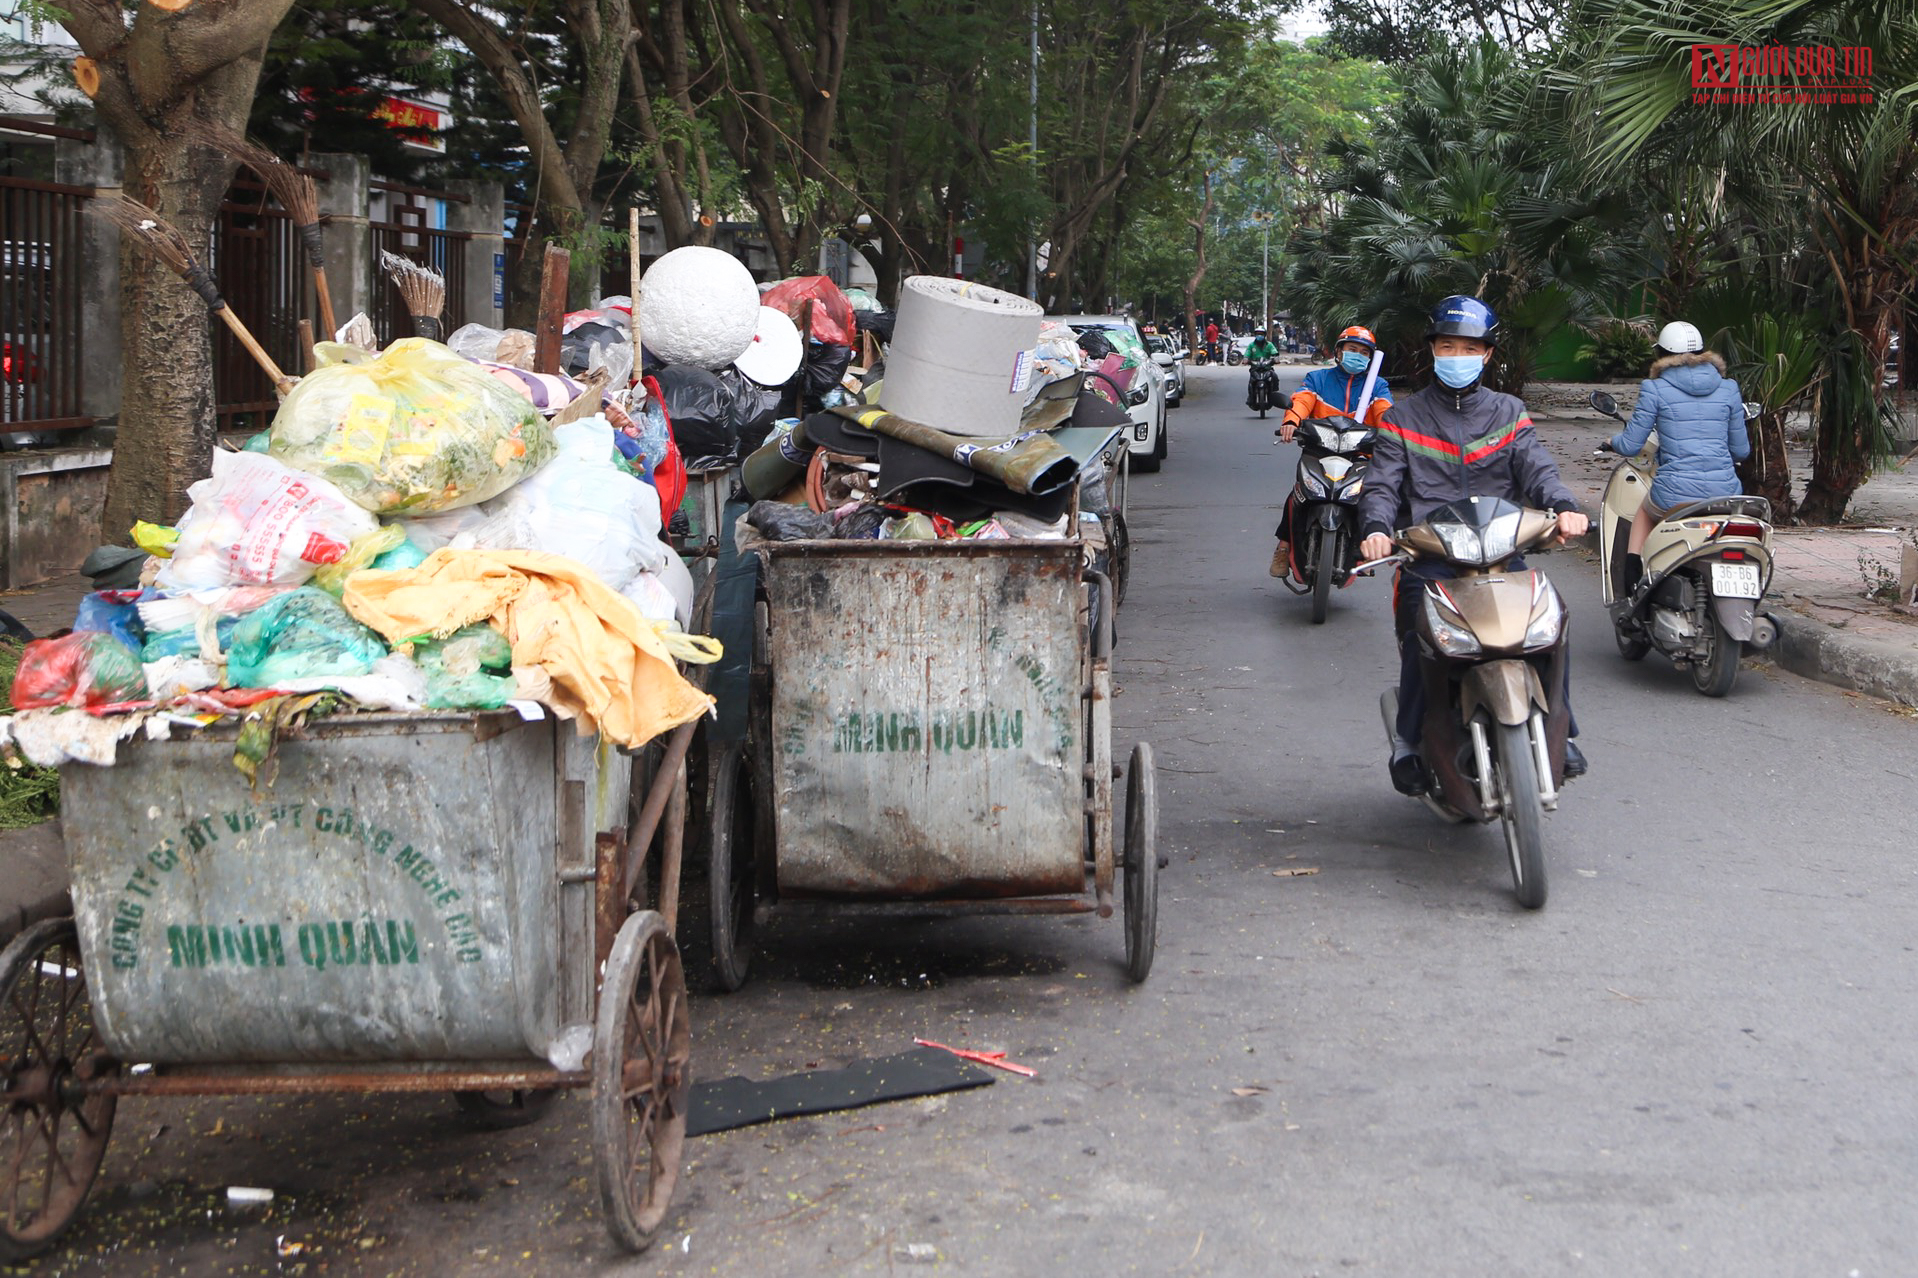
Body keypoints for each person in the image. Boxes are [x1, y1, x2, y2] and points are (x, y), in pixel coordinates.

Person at [1356, 296, 1590, 794]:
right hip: (1431, 560)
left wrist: (1565, 505)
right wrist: (1375, 529)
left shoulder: (1510, 412)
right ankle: (1409, 744)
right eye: (1447, 346)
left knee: (1551, 625)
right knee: (1425, 641)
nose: (1457, 354)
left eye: (1469, 347)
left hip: (1503, 556)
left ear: (1486, 355)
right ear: (1433, 351)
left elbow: (1538, 468)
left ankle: (1562, 731)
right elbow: (1381, 485)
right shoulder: (1402, 419)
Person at [1610, 320, 1752, 597]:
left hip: (1674, 494)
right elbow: (1740, 451)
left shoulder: (1655, 389)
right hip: (1725, 494)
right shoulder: (1728, 388)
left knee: (1644, 511)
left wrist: (1611, 442)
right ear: (1702, 352)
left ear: (1661, 354)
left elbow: (1630, 445)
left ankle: (1631, 575)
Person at [1270, 325, 1393, 578]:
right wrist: (1291, 421)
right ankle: (1283, 547)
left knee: (1368, 498)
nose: (1357, 355)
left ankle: (1362, 547)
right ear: (1339, 351)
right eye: (1352, 349)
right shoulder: (1318, 379)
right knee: (1298, 494)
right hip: (1319, 451)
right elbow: (1302, 400)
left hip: (1359, 455)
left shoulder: (1377, 386)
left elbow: (1384, 412)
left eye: (1363, 352)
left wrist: (1393, 433)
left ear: (1371, 358)